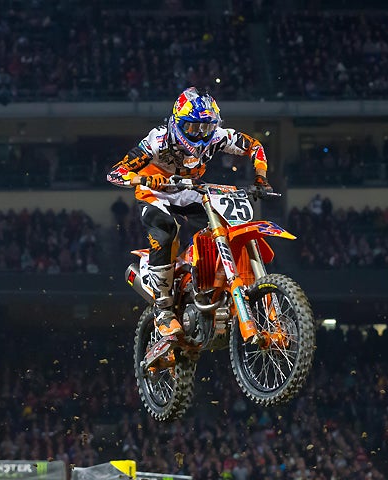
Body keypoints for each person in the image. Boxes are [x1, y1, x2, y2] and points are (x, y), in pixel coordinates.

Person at [107, 87, 273, 336]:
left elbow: (254, 146)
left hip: (190, 189)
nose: (201, 134)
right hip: (157, 192)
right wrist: (143, 180)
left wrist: (261, 178)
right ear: (178, 123)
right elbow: (116, 173)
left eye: (206, 128)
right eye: (194, 128)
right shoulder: (158, 141)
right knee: (166, 231)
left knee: (226, 223)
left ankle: (209, 281)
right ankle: (163, 311)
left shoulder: (218, 137)